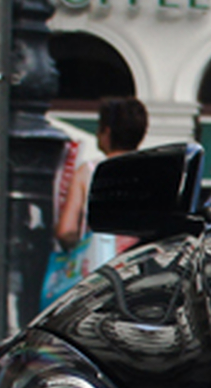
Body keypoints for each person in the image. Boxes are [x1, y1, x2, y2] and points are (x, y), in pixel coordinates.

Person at [42, 95, 148, 302]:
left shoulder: (89, 171)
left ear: (106, 132)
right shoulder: (153, 171)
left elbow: (66, 230)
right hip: (141, 273)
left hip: (98, 275)